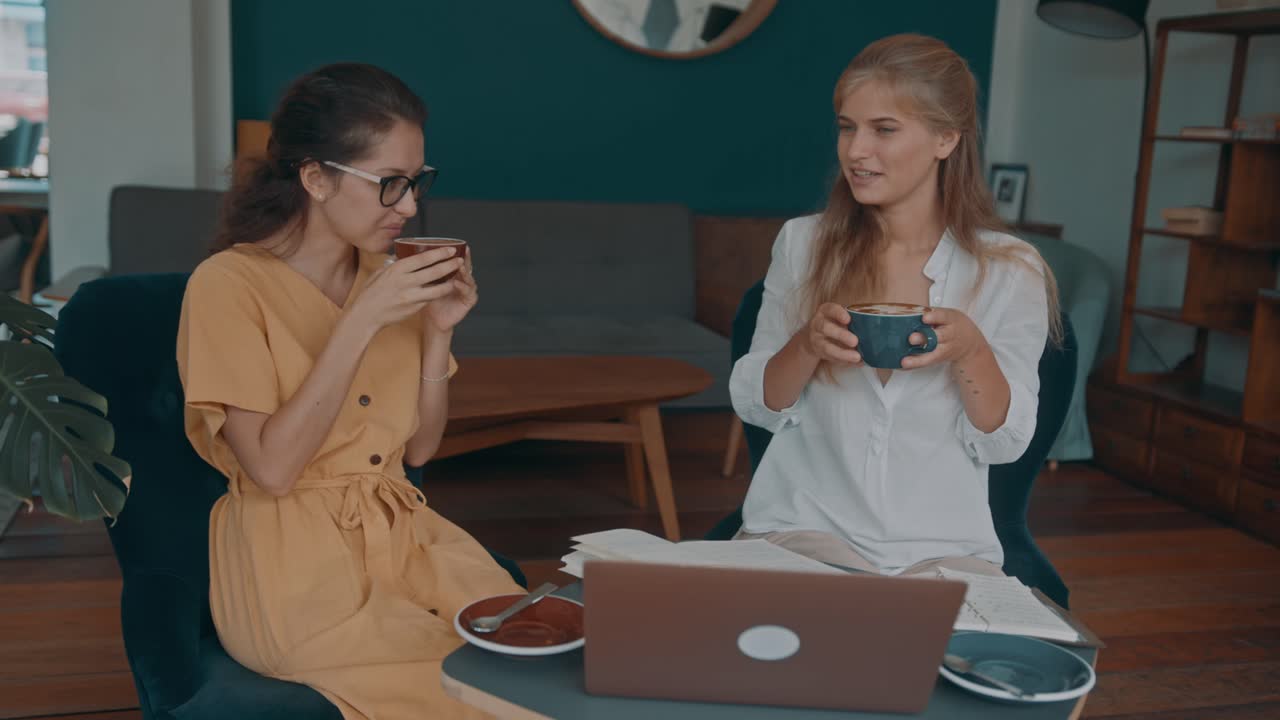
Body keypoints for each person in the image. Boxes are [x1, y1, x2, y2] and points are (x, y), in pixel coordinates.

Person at [176, 63, 521, 719]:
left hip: (410, 539)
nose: (411, 207)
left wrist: (439, 333)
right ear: (316, 178)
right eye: (390, 184)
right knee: (473, 696)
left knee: (546, 656)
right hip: (294, 571)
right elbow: (273, 470)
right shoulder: (227, 287)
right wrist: (363, 320)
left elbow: (419, 448)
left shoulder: (388, 276)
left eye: (417, 183)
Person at [729, 34, 1062, 578]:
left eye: (884, 129)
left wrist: (972, 351)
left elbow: (1004, 442)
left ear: (945, 139)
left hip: (943, 550)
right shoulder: (803, 244)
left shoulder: (1009, 269)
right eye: (847, 127)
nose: (856, 151)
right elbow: (760, 405)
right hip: (799, 532)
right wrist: (808, 343)